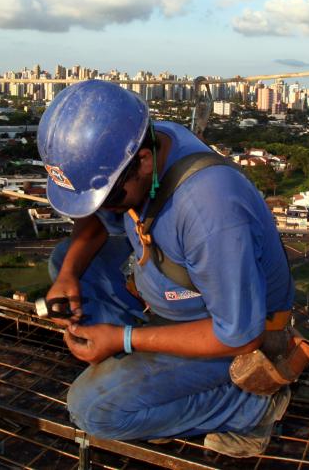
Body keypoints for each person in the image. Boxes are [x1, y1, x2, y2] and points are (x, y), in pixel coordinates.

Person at [37, 80, 295, 457]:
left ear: (142, 161)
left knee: (92, 411)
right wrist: (67, 278)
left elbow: (241, 336)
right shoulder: (150, 142)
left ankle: (251, 407)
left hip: (231, 335)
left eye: (109, 198)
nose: (106, 209)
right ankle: (145, 370)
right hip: (170, 298)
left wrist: (123, 339)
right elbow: (95, 219)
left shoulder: (210, 209)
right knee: (67, 259)